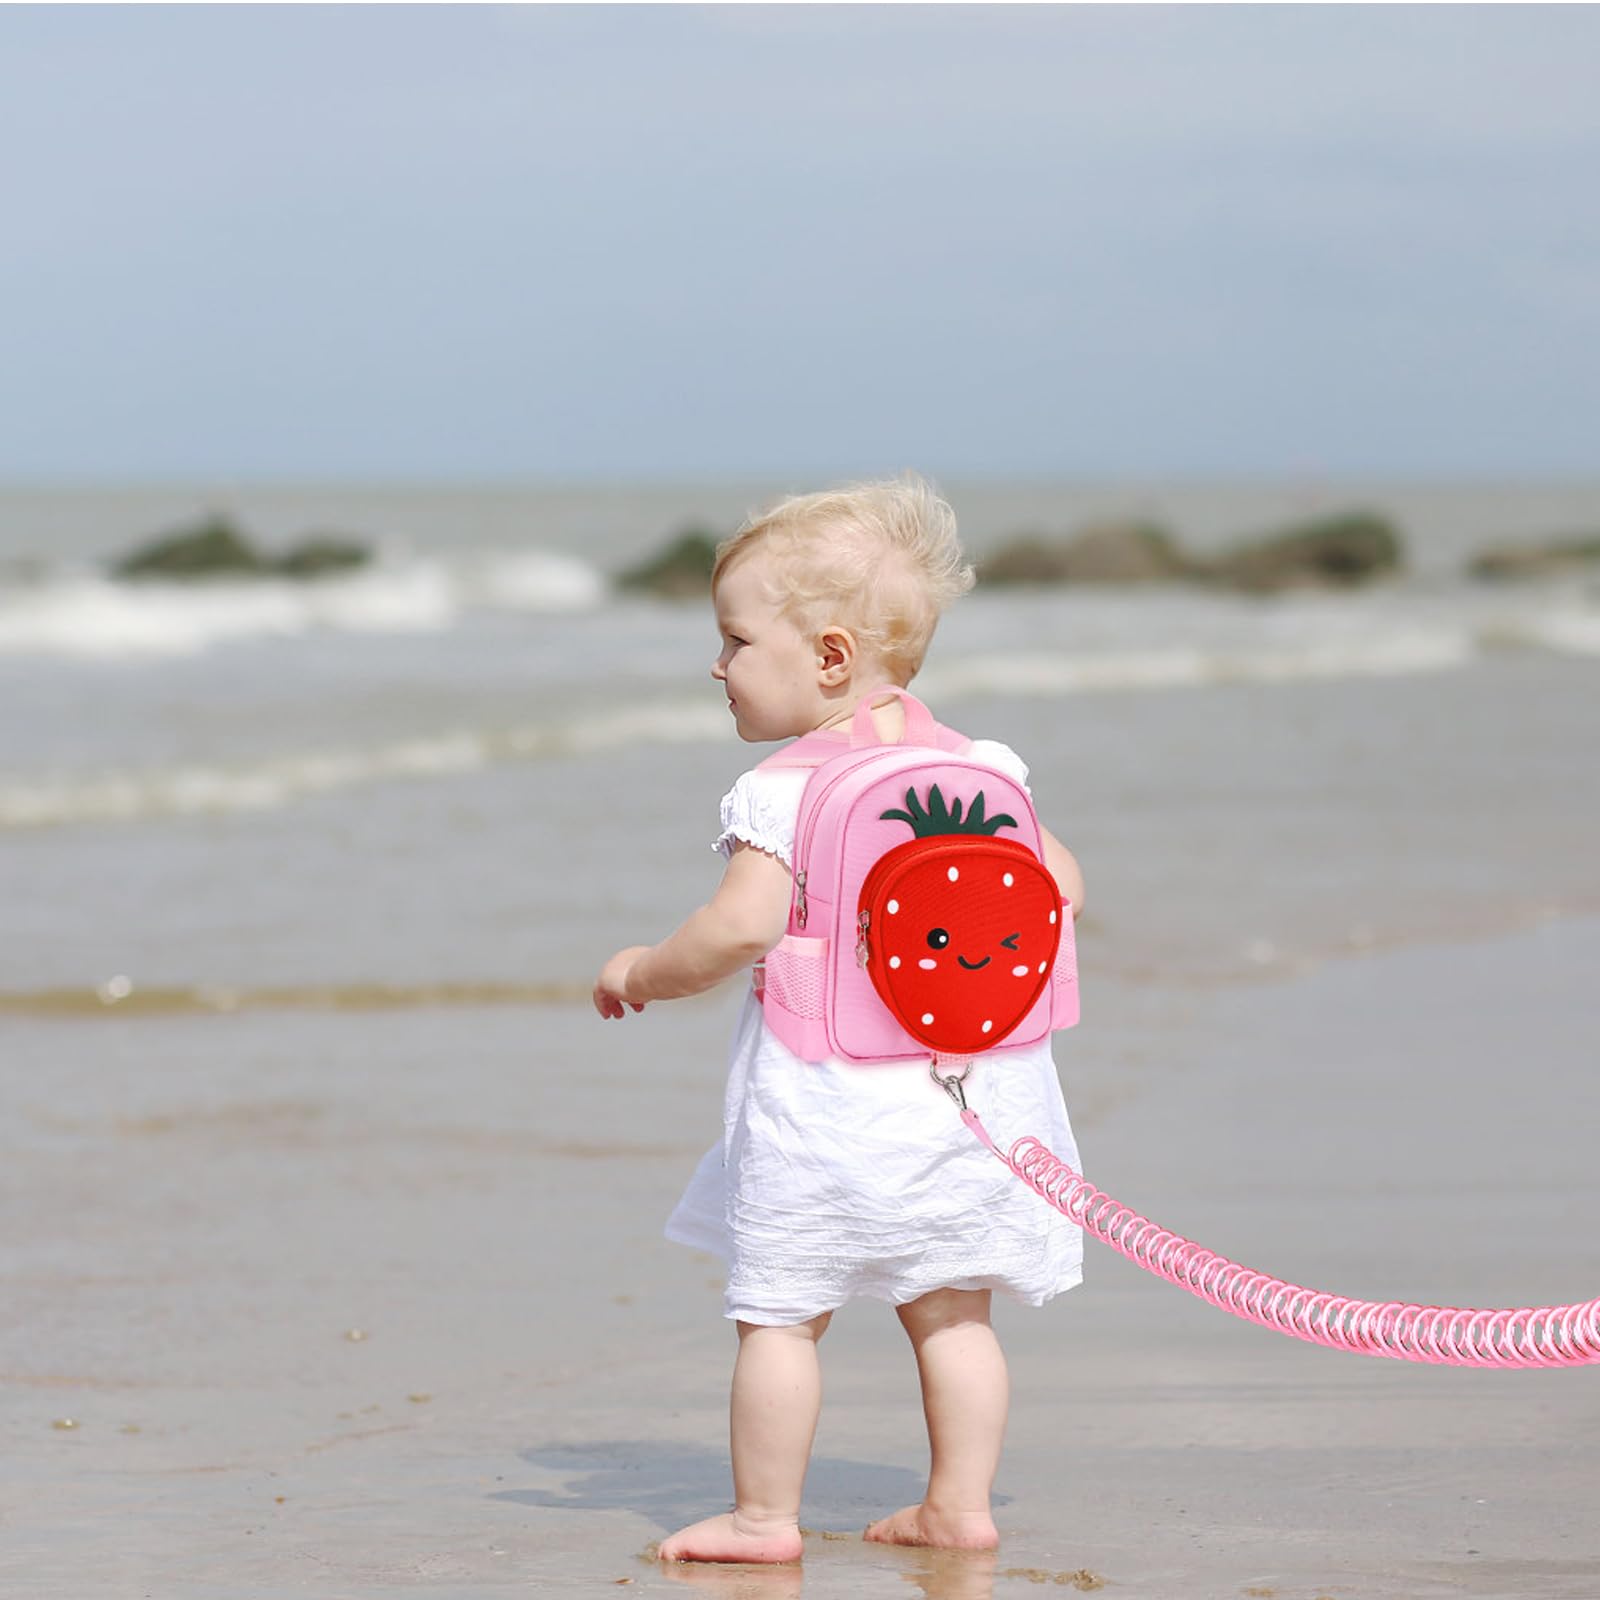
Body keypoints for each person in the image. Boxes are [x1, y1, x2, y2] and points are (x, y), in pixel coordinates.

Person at [593, 476, 1086, 1565]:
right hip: (973, 1099)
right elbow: (1061, 893)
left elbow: (736, 931)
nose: (716, 666)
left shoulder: (781, 788)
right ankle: (958, 1504)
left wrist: (640, 968)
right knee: (954, 1313)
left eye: (733, 640)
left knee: (780, 1314)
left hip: (829, 1106)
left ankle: (764, 1519)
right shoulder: (984, 767)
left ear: (825, 657)